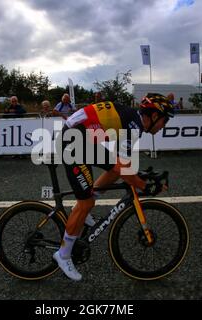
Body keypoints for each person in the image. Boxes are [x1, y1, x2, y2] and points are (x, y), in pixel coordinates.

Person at [52, 93, 174, 281]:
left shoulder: (133, 120)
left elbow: (122, 163)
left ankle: (84, 208)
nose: (163, 127)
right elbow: (121, 166)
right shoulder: (134, 124)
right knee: (86, 203)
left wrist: (140, 177)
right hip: (73, 140)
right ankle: (64, 254)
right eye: (164, 121)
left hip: (79, 137)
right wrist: (143, 185)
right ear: (154, 116)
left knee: (114, 170)